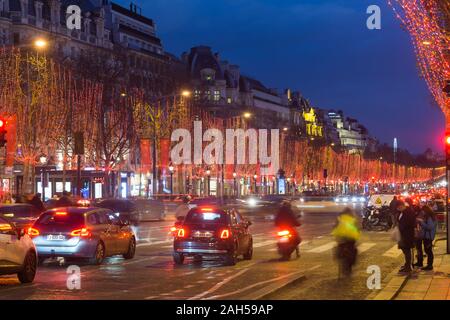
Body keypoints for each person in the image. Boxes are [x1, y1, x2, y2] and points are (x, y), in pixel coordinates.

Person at [331, 208, 360, 277]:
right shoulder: (353, 218)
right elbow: (357, 228)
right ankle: (351, 263)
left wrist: (335, 234)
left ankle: (338, 256)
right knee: (353, 250)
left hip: (341, 237)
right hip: (351, 237)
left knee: (339, 246)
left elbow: (334, 226)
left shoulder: (339, 218)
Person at [396, 201, 416, 273]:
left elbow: (408, 223)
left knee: (407, 250)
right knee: (405, 250)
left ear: (402, 206)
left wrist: (401, 227)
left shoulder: (408, 212)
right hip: (403, 235)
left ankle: (408, 266)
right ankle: (407, 264)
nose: (398, 209)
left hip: (407, 235)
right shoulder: (402, 212)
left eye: (398, 207)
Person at [417, 205, 437, 271]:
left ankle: (430, 265)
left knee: (428, 251)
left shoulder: (430, 217)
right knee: (427, 250)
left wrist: (421, 222)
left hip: (428, 236)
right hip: (427, 236)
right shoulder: (430, 216)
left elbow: (429, 227)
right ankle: (429, 264)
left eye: (423, 211)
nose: (422, 213)